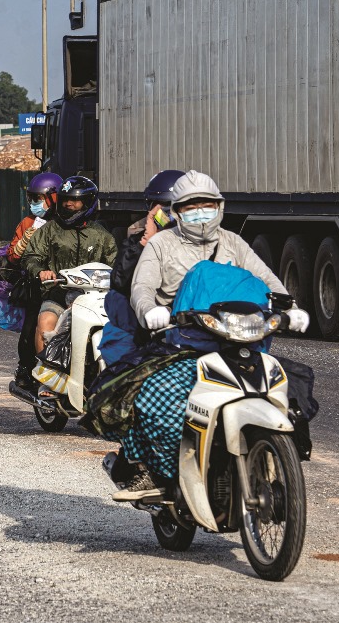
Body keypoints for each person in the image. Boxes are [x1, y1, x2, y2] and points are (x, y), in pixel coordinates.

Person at [113, 170, 309, 501]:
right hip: (183, 345)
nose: (200, 212)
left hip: (239, 342)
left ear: (220, 207)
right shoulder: (162, 244)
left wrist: (291, 308)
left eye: (207, 205)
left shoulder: (235, 242)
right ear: (176, 211)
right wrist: (150, 310)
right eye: (191, 206)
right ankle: (159, 472)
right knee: (154, 400)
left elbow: (268, 280)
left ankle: (274, 461)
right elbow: (141, 286)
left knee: (292, 393)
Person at [21, 175, 118, 357]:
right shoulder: (49, 230)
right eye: (65, 199)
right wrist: (41, 271)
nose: (68, 204)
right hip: (58, 293)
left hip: (93, 299)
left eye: (75, 200)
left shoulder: (103, 236)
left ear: (87, 203)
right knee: (45, 322)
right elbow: (31, 257)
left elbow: (116, 267)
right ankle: (45, 377)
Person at [98, 169, 183, 367]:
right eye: (164, 208)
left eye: (176, 207)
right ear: (152, 210)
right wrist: (146, 242)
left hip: (185, 331)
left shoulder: (200, 246)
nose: (171, 215)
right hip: (139, 333)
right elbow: (119, 280)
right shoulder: (136, 244)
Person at [8, 172, 62, 390]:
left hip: (66, 285)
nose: (33, 203)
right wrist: (24, 243)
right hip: (37, 287)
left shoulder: (64, 224)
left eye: (37, 199)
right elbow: (12, 255)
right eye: (31, 198)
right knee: (31, 330)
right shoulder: (28, 223)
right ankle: (26, 370)